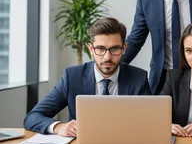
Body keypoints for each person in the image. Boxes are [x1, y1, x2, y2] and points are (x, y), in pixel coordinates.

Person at [24, 17, 152, 137]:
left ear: (124, 49)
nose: (107, 57)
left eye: (114, 49)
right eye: (100, 49)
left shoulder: (139, 78)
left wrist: (162, 125)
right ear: (91, 49)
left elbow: (152, 119)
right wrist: (59, 127)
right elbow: (32, 117)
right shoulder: (72, 77)